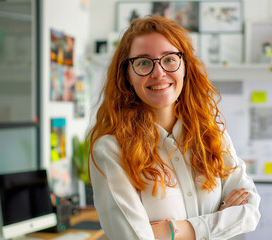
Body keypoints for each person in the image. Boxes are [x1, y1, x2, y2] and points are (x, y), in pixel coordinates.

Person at [88, 15, 261, 240]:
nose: (158, 72)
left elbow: (250, 211)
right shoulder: (111, 150)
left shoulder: (212, 133)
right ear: (127, 75)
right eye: (143, 62)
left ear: (185, 66)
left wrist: (172, 230)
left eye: (169, 59)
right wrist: (221, 218)